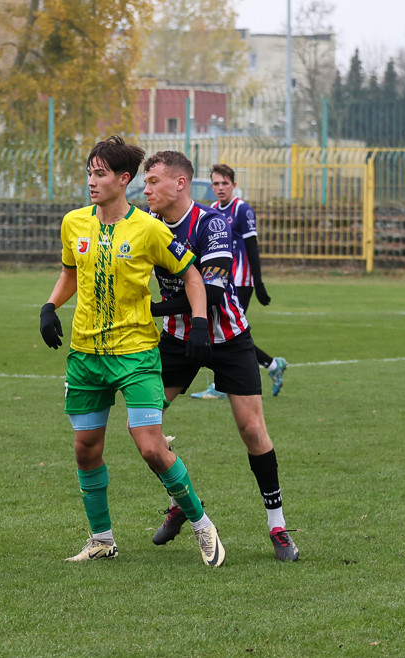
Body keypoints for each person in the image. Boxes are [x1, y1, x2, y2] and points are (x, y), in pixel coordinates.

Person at [39, 136, 225, 567]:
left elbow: (193, 275)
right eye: (89, 172)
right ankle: (102, 540)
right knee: (86, 448)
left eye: (100, 173)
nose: (91, 181)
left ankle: (201, 523)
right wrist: (50, 305)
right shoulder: (73, 223)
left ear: (124, 179)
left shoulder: (150, 228)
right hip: (86, 354)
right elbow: (70, 273)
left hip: (137, 353)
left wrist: (198, 323)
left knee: (151, 447)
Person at [141, 150, 299, 561]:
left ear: (180, 183)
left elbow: (209, 291)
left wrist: (153, 309)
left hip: (227, 335)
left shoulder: (213, 222)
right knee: (145, 430)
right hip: (177, 339)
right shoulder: (147, 225)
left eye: (153, 181)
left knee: (252, 430)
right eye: (144, 181)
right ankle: (182, 502)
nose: (147, 189)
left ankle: (278, 526)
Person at [190, 164, 287, 399]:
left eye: (225, 183)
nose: (220, 188)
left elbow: (252, 248)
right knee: (221, 330)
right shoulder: (211, 209)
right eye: (216, 183)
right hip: (216, 280)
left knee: (229, 332)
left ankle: (220, 385)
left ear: (234, 185)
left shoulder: (242, 210)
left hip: (241, 281)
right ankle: (273, 365)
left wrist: (259, 283)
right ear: (211, 186)